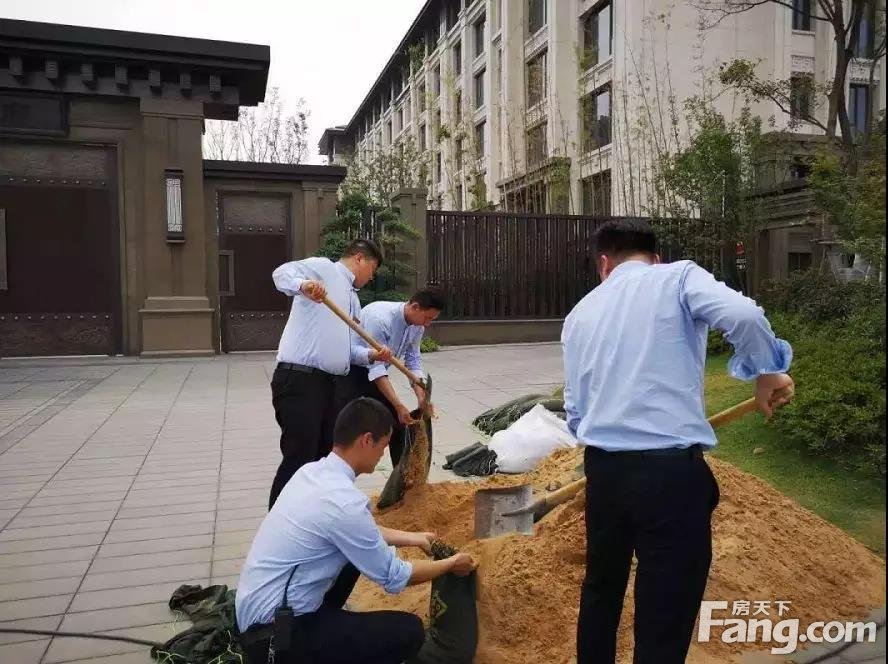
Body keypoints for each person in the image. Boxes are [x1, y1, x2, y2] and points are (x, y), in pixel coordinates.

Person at [562, 219, 794, 664]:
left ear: (604, 263)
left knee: (601, 590)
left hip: (604, 472)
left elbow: (575, 407)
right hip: (669, 475)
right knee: (664, 605)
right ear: (655, 257)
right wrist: (766, 368)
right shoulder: (679, 277)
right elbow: (744, 315)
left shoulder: (580, 313)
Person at [236, 397, 476, 664]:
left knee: (351, 560)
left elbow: (358, 531)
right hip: (275, 640)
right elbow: (395, 576)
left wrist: (414, 538)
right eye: (383, 445)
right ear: (366, 440)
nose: (383, 454)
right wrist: (451, 563)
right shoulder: (344, 502)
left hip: (256, 616)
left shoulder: (311, 473)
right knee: (409, 631)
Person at [268, 239, 393, 509]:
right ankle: (279, 522)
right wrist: (304, 285)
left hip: (331, 385)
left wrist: (371, 355)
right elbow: (281, 273)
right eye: (372, 269)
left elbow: (347, 350)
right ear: (359, 258)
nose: (371, 277)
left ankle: (313, 519)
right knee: (300, 456)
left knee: (326, 458)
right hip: (301, 380)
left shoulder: (352, 299)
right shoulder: (324, 269)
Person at [337, 286, 446, 466]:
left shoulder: (416, 325)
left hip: (375, 374)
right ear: (415, 307)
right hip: (351, 374)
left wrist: (421, 398)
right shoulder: (380, 318)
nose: (427, 324)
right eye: (427, 318)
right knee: (348, 431)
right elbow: (377, 369)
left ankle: (405, 481)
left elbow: (413, 361)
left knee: (398, 426)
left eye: (431, 320)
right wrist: (398, 405)